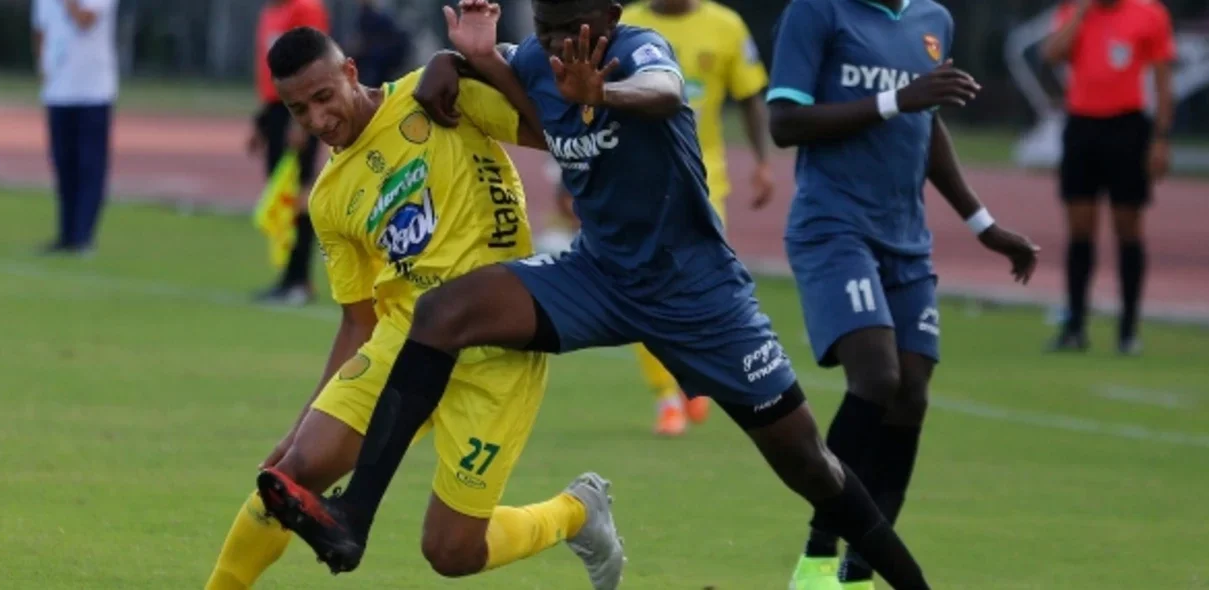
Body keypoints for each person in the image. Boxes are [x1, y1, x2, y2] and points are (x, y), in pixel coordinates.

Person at [259, 2, 935, 589]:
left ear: (609, 15)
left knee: (809, 465)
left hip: (697, 296)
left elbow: (666, 92)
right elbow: (484, 65)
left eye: (570, 24)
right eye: (545, 24)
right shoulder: (536, 59)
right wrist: (449, 58)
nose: (556, 40)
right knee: (440, 314)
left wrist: (600, 95)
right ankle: (354, 516)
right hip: (600, 276)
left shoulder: (638, 50)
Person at [205, 26, 623, 589]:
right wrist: (303, 420)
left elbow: (553, 134)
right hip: (402, 341)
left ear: (351, 72)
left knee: (451, 552)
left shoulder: (433, 95)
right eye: (298, 109)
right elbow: (358, 319)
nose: (318, 119)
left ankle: (577, 512)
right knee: (290, 477)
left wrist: (471, 59)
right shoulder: (329, 198)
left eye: (324, 97)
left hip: (496, 349)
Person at [766, 0, 1040, 588]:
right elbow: (784, 123)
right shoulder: (817, 12)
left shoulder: (933, 20)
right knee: (877, 378)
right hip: (833, 227)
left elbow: (926, 123)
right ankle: (818, 553)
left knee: (911, 394)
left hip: (905, 240)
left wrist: (983, 224)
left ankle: (858, 573)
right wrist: (897, 99)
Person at [619, 0, 775, 436]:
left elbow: (749, 96)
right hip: (634, 178)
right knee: (636, 286)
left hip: (704, 180)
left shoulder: (725, 26)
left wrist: (763, 162)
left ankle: (694, 375)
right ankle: (666, 396)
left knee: (700, 285)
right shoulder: (624, 22)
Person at [1040, 0, 1176, 355]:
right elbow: (1052, 55)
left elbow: (1162, 79)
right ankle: (1074, 326)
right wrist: (1082, 14)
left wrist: (1161, 138)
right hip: (1082, 126)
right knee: (1080, 229)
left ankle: (1128, 329)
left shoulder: (1149, 14)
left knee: (1128, 227)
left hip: (1128, 128)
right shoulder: (1074, 10)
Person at [249, 0, 330, 305]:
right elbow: (272, 76)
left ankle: (300, 279)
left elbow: (315, 68)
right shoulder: (270, 11)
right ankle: (287, 276)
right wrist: (262, 120)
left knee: (300, 197)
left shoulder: (306, 9)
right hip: (276, 112)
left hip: (298, 111)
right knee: (283, 196)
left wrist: (302, 121)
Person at [31, 0, 119, 256]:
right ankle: (66, 234)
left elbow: (85, 20)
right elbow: (39, 30)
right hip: (58, 90)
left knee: (89, 164)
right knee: (63, 163)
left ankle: (83, 236)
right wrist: (42, 67)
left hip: (93, 91)